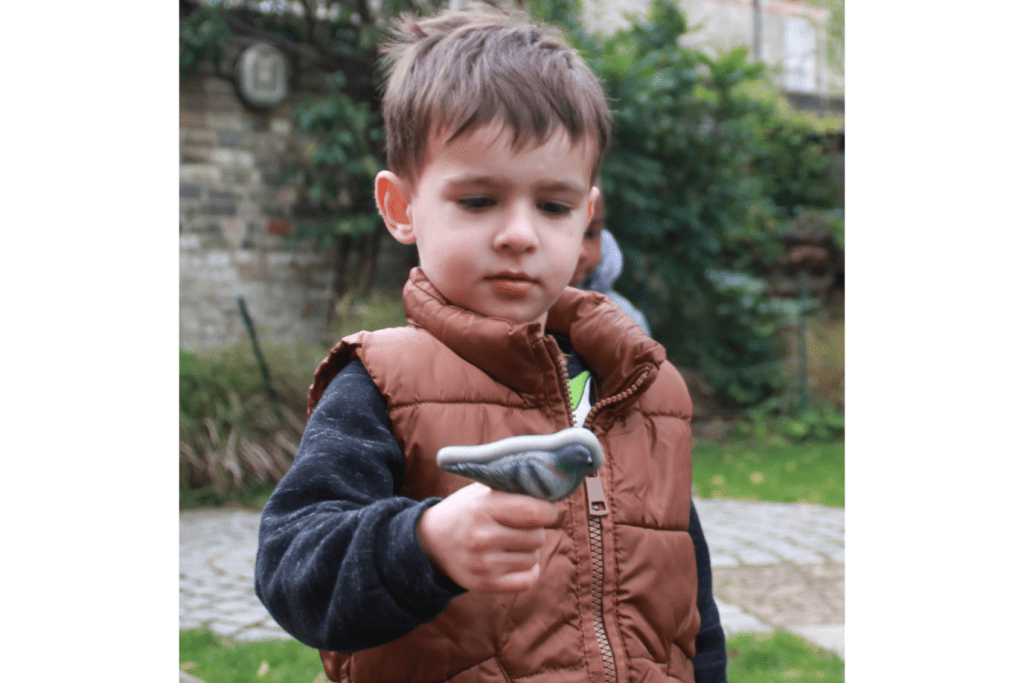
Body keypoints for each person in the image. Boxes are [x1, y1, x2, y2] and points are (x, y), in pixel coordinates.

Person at [255, 6, 728, 683]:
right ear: (401, 207)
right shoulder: (381, 383)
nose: (519, 233)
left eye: (553, 206)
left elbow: (692, 615)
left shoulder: (645, 390)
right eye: (478, 200)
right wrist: (424, 544)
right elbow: (291, 569)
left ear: (587, 215)